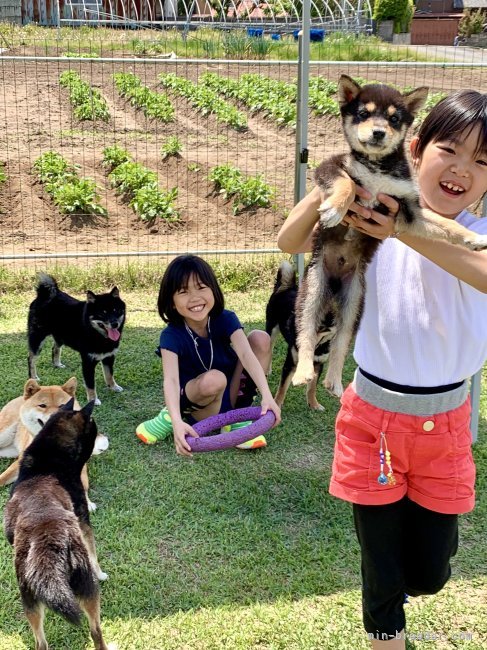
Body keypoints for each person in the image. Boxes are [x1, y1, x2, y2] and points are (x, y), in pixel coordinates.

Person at [277, 89, 487, 649]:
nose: (463, 169)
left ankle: (421, 574)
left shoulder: (475, 237)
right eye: (450, 150)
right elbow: (288, 240)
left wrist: (402, 228)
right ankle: (385, 636)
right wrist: (347, 171)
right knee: (380, 562)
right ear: (415, 148)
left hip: (444, 424)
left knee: (431, 573)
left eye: (483, 161)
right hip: (372, 415)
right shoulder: (369, 210)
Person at [136, 254, 281, 456]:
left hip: (230, 392)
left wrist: (267, 395)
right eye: (183, 291)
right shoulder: (171, 335)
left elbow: (248, 356)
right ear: (171, 300)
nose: (195, 298)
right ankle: (171, 417)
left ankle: (237, 418)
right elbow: (170, 380)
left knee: (260, 339)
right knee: (214, 378)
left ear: (213, 289)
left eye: (201, 287)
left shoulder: (225, 318)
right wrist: (178, 423)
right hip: (200, 402)